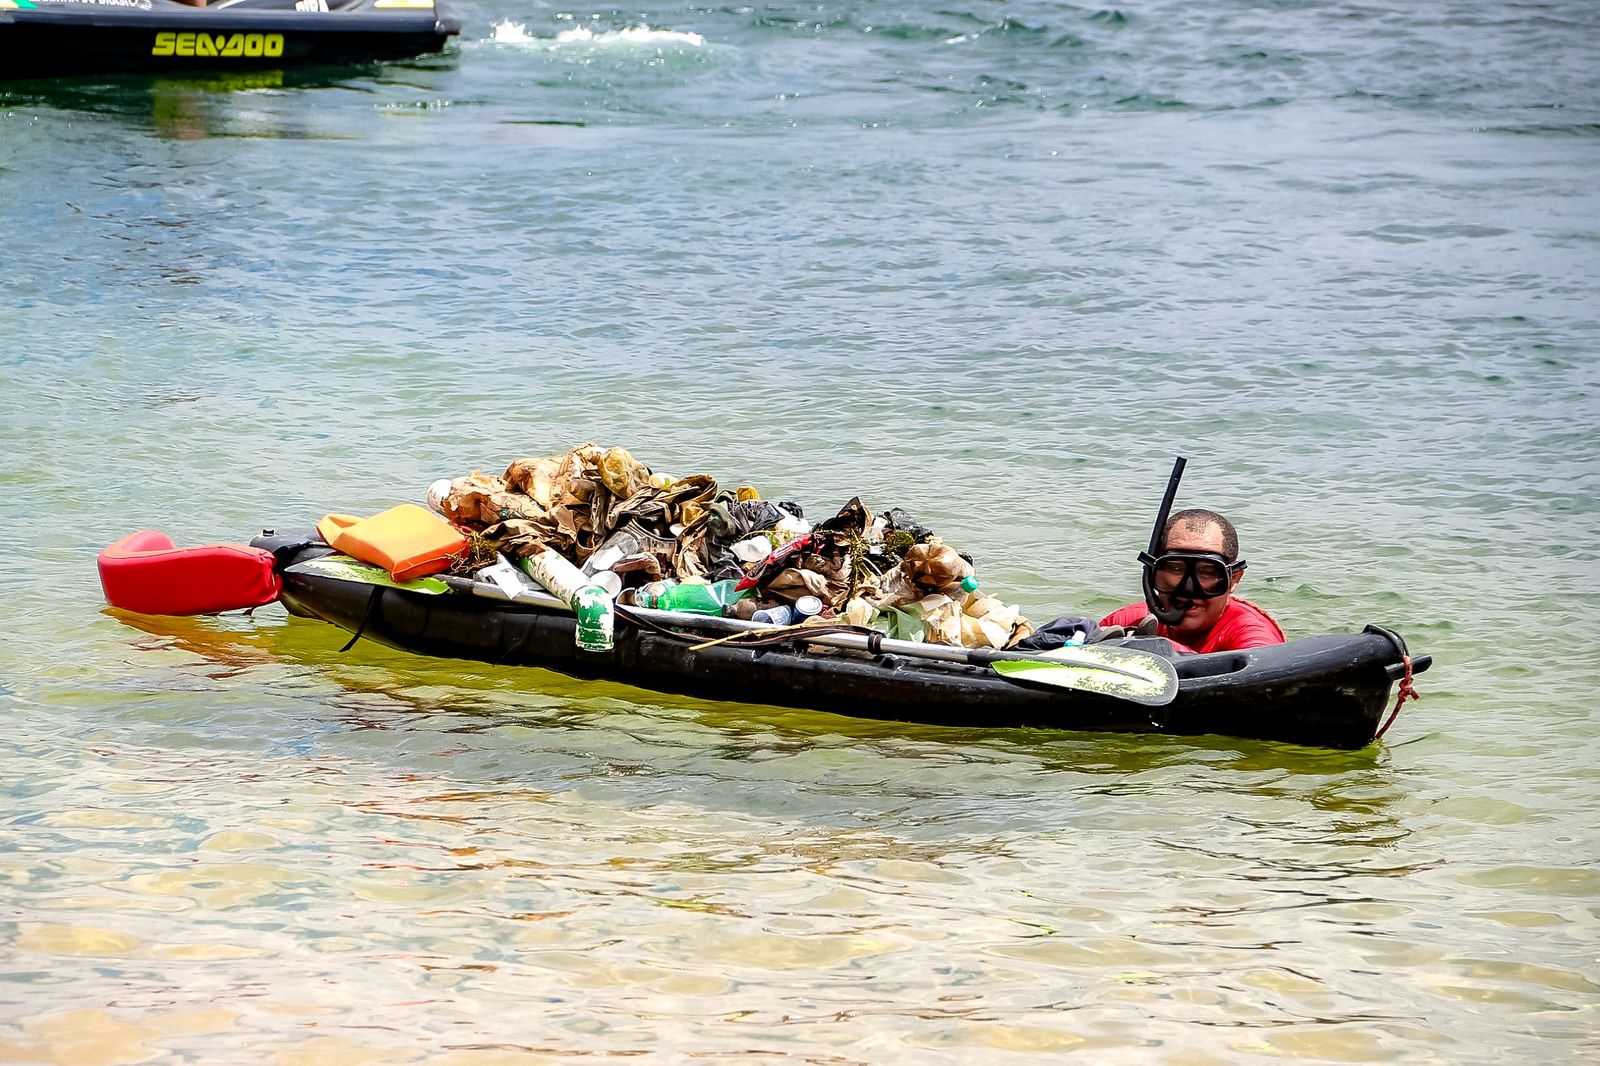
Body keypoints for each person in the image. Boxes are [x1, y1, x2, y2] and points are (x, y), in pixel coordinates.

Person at [1021, 508, 1284, 655]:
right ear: (1152, 574)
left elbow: (1261, 675)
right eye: (1175, 569)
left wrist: (1157, 649)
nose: (1188, 589)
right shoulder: (1131, 620)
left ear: (1233, 579)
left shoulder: (1250, 633)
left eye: (1206, 573)